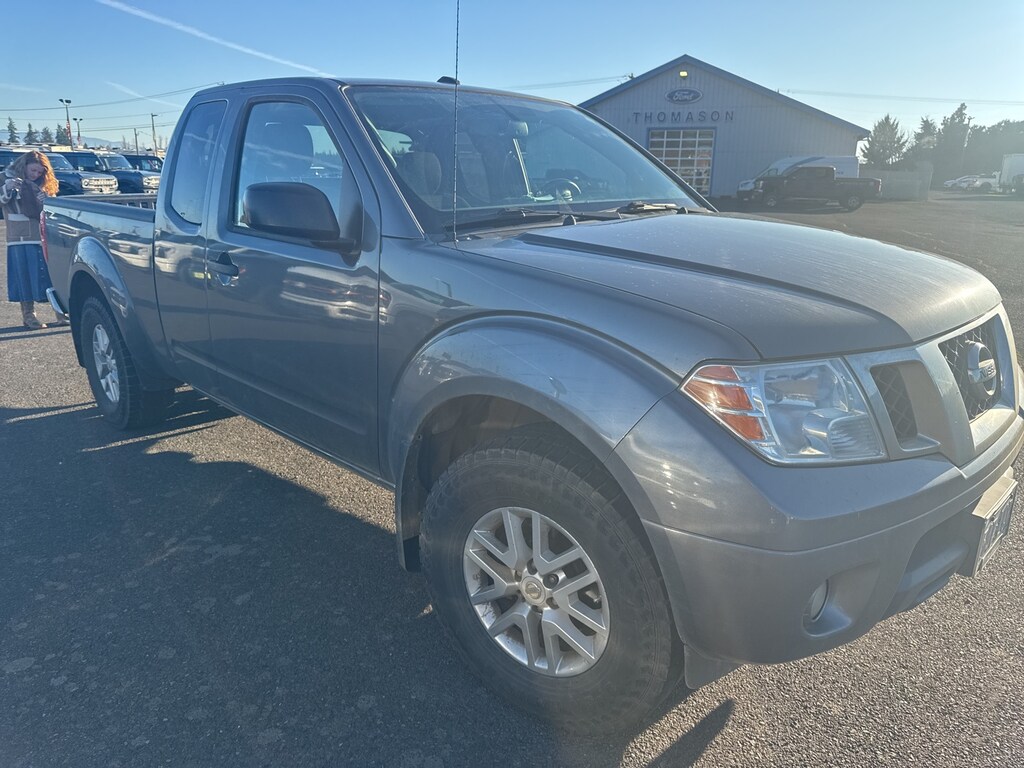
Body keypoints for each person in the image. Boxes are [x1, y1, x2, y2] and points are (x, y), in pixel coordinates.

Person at [2, 150, 66, 330]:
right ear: (24, 166)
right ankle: (29, 317)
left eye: (40, 172)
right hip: (19, 236)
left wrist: (46, 199)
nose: (36, 175)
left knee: (51, 275)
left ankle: (60, 313)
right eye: (33, 171)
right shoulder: (5, 178)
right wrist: (7, 188)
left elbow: (53, 208)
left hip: (43, 235)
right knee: (24, 276)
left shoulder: (45, 183)